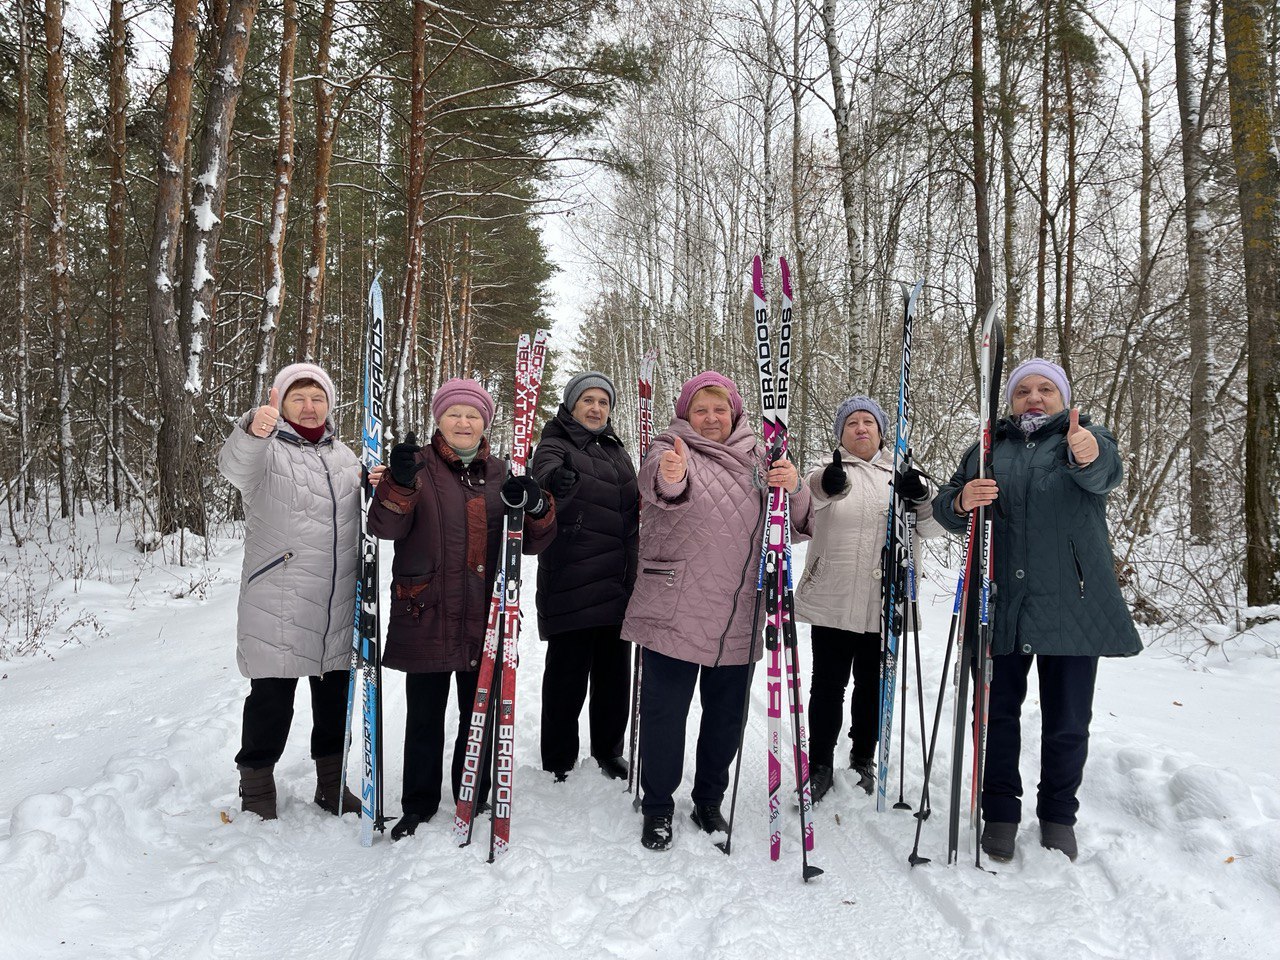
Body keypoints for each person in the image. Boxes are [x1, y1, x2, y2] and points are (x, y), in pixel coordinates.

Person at [933, 358, 1142, 862]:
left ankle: (1057, 816)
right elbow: (944, 506)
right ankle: (1000, 812)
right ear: (1009, 399)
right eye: (1023, 389)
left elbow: (1105, 474)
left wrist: (1088, 454)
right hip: (1001, 601)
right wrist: (962, 500)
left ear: (1063, 398)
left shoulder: (1086, 437)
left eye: (1045, 389)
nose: (1034, 397)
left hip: (1072, 602)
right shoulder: (987, 448)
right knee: (995, 713)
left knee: (1068, 719)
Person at [622, 371, 812, 851]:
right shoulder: (670, 444)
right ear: (686, 413)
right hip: (676, 607)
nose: (710, 418)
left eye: (719, 409)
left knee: (725, 717)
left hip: (740, 610)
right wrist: (670, 475)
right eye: (700, 410)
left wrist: (794, 487)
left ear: (735, 412)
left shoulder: (765, 455)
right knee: (665, 714)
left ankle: (709, 800)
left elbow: (795, 524)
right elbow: (660, 485)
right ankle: (658, 806)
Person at [367, 378, 556, 840]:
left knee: (481, 710)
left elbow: (535, 540)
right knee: (425, 715)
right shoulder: (416, 468)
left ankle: (473, 791)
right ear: (439, 419)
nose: (464, 422)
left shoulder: (502, 472)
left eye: (473, 415)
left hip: (484, 613)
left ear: (485, 423)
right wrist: (400, 483)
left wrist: (536, 505)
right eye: (455, 414)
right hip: (427, 609)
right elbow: (385, 526)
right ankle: (417, 803)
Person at [217, 362, 363, 821]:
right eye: (297, 397)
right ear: (279, 402)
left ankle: (331, 785)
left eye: (317, 397)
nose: (309, 405)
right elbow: (235, 466)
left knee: (335, 699)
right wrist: (250, 431)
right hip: (278, 597)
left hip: (336, 601)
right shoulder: (266, 451)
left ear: (330, 404)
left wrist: (382, 484)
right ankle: (257, 790)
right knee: (271, 702)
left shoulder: (347, 458)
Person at [794, 396, 943, 803]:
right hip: (834, 598)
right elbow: (802, 513)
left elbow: (930, 530)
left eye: (869, 423)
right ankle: (820, 763)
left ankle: (862, 759)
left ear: (880, 432)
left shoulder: (903, 474)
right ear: (841, 433)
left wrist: (922, 499)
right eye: (852, 423)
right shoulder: (823, 472)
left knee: (873, 686)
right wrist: (826, 486)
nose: (861, 429)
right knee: (827, 686)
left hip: (886, 601)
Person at [529, 372, 639, 782]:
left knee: (614, 676)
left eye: (603, 402)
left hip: (617, 581)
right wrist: (554, 484)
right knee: (567, 677)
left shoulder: (616, 449)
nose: (596, 409)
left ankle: (608, 751)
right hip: (573, 577)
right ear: (572, 405)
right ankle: (558, 758)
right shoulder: (555, 444)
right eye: (588, 400)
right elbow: (540, 483)